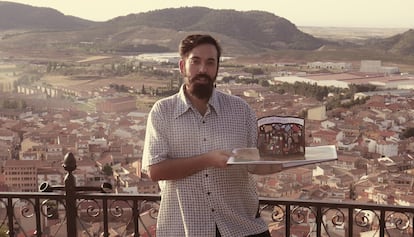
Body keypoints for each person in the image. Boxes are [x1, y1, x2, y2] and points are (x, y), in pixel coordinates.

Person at [142, 34, 275, 237]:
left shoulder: (241, 110)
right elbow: (155, 170)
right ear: (182, 66)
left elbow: (255, 163)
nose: (203, 69)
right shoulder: (163, 112)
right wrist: (207, 160)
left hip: (242, 228)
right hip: (185, 230)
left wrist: (288, 159)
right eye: (195, 61)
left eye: (210, 63)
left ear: (217, 69)